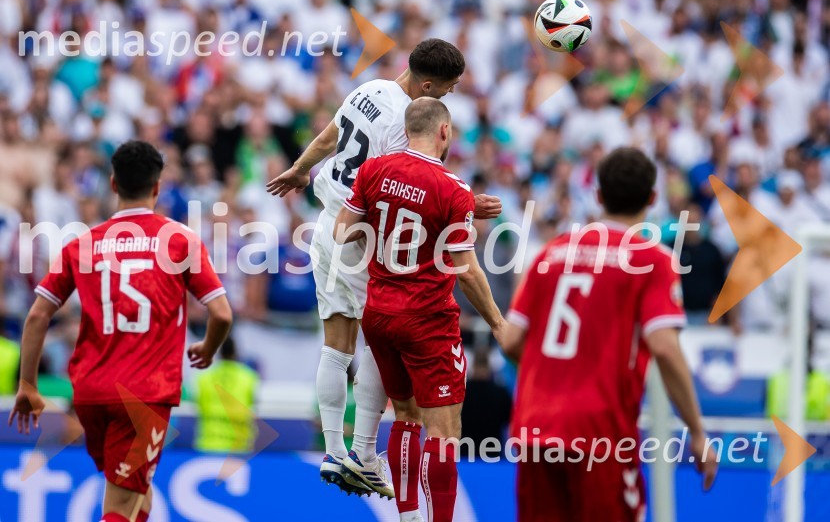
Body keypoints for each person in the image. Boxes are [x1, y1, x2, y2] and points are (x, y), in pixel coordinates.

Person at [266, 38, 502, 497]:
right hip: (360, 233)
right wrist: (467, 204)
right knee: (377, 334)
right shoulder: (402, 126)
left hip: (325, 223)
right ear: (429, 84)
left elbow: (331, 136)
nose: (449, 98)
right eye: (448, 91)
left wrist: (300, 169)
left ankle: (334, 450)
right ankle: (365, 452)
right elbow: (402, 190)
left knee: (336, 342)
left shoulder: (368, 90)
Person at [8, 141, 233, 522]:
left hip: (91, 393)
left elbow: (36, 316)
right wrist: (209, 348)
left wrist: (28, 384)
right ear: (157, 187)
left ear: (113, 184)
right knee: (120, 507)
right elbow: (222, 314)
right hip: (144, 395)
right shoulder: (178, 240)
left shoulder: (81, 244)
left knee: (134, 493)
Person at [500, 147, 718, 522]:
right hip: (600, 434)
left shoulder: (551, 254)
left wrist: (557, 372)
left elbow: (511, 341)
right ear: (652, 198)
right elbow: (665, 349)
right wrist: (697, 432)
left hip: (536, 427)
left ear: (598, 195)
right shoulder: (653, 260)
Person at [333, 97, 506, 522]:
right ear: (444, 131)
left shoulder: (374, 170)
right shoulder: (452, 188)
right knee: (445, 431)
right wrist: (499, 324)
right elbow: (466, 271)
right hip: (427, 320)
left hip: (380, 314)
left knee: (406, 416)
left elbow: (342, 231)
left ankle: (409, 517)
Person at [193, 336, 260, 453]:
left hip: (208, 443)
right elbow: (254, 408)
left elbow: (196, 403)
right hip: (238, 446)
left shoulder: (204, 377)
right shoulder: (249, 377)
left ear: (219, 353)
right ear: (236, 352)